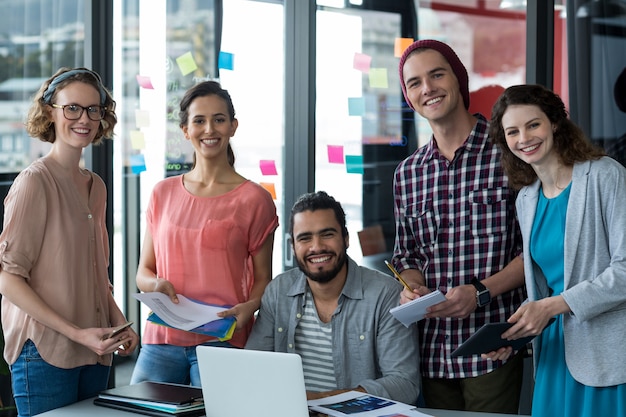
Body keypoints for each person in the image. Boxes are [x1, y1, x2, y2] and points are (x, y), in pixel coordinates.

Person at [392, 39, 526, 413]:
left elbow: (533, 251)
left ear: (458, 79)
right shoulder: (407, 174)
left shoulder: (510, 154)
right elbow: (407, 253)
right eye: (415, 82)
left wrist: (480, 292)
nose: (427, 89)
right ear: (409, 96)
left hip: (492, 345)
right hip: (429, 350)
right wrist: (411, 286)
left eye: (437, 75)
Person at [0, 67, 139, 416]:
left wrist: (119, 324)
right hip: (45, 354)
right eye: (72, 108)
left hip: (96, 350)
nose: (84, 118)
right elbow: (8, 279)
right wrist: (78, 334)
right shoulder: (35, 183)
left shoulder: (97, 186)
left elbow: (96, 278)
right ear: (51, 111)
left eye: (94, 109)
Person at [486, 84, 626, 417]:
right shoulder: (526, 199)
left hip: (605, 353)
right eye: (513, 131)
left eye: (533, 124)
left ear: (555, 124)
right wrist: (516, 332)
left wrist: (551, 306)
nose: (524, 138)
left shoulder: (606, 175)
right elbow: (545, 289)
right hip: (554, 354)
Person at [130, 81, 278, 387]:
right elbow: (143, 272)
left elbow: (264, 279)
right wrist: (155, 284)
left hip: (223, 342)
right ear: (185, 130)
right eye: (199, 120)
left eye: (219, 119)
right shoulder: (162, 193)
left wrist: (248, 309)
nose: (209, 129)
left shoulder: (255, 199)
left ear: (233, 126)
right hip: (162, 340)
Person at [246, 191, 421, 405]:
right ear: (293, 247)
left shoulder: (385, 295)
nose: (317, 246)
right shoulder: (278, 291)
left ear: (346, 238)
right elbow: (252, 370)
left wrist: (320, 400)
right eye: (305, 238)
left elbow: (404, 384)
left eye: (327, 234)